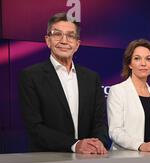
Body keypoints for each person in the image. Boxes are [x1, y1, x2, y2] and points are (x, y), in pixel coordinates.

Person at [19, 12, 109, 154]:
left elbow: (100, 122)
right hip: (46, 162)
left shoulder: (92, 78)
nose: (64, 40)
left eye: (70, 36)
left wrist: (98, 142)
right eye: (57, 34)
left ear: (77, 44)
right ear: (48, 40)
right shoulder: (31, 76)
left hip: (88, 161)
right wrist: (75, 145)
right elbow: (34, 127)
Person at [107, 39, 150, 152]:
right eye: (137, 58)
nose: (143, 63)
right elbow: (115, 131)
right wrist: (141, 145)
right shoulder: (117, 91)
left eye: (148, 59)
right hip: (124, 159)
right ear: (129, 63)